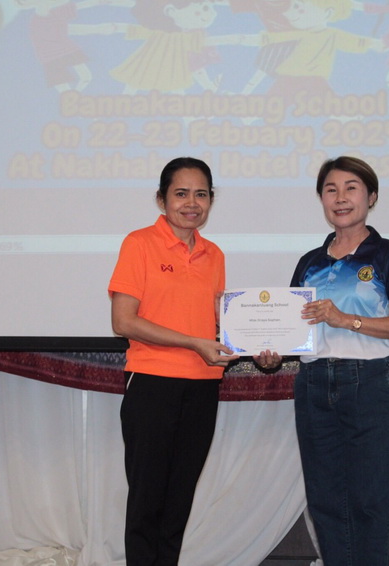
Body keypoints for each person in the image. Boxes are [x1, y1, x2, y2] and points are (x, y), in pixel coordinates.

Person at [288, 155, 389, 565]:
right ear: (322, 199)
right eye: (331, 190)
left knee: (369, 500)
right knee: (325, 501)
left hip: (370, 382)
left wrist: (346, 319)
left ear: (371, 197)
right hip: (313, 383)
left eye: (351, 188)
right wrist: (272, 350)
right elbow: (293, 330)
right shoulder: (309, 262)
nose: (340, 198)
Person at [108, 156, 238, 566]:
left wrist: (259, 344)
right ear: (161, 199)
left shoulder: (215, 255)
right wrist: (193, 343)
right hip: (152, 382)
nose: (191, 203)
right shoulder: (139, 243)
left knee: (178, 503)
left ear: (211, 200)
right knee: (147, 503)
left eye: (201, 194)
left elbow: (219, 324)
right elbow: (123, 321)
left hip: (203, 386)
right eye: (181, 193)